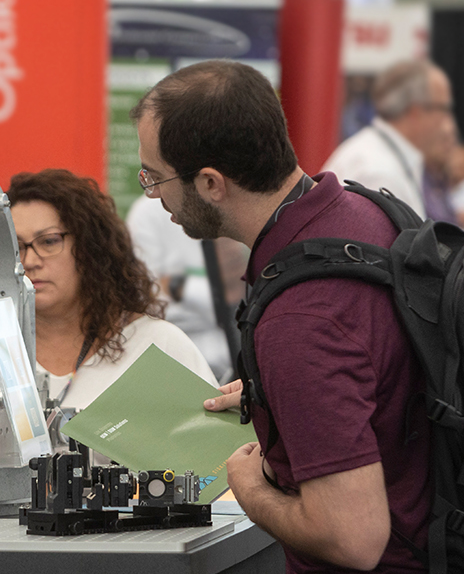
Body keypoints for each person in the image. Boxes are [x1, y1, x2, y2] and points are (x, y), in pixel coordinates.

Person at [131, 60, 430, 572]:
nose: (154, 196)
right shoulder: (365, 213)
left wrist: (250, 491)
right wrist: (279, 394)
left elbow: (353, 538)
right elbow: (384, 373)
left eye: (155, 179)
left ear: (210, 183)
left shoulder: (300, 318)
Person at [0, 169, 217, 456]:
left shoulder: (159, 346)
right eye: (14, 247)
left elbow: (218, 456)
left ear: (90, 248)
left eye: (48, 241)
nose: (29, 261)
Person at [125, 194, 247, 383]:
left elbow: (236, 289)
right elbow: (151, 296)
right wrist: (212, 297)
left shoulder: (223, 198)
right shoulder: (146, 213)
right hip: (172, 361)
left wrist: (178, 286)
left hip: (233, 354)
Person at [323, 59, 457, 218]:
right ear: (417, 112)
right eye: (443, 108)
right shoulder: (379, 172)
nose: (447, 121)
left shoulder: (380, 154)